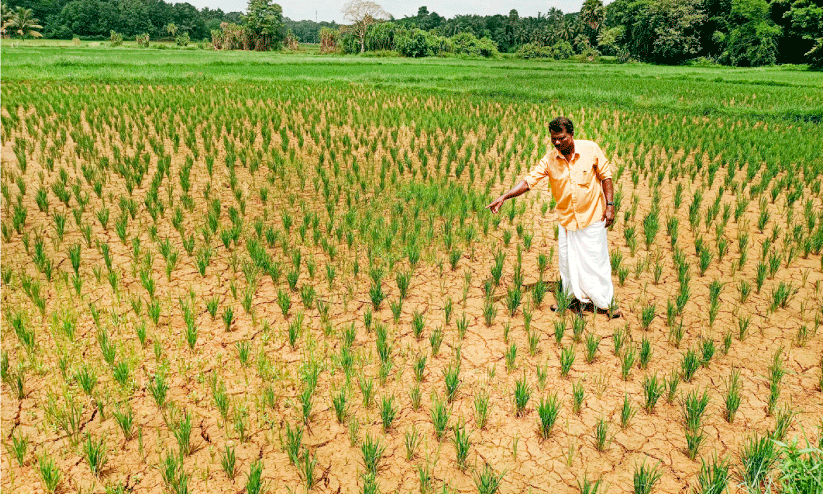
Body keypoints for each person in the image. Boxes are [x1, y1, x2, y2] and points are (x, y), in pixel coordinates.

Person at [486, 116, 619, 317]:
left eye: (561, 138)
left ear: (571, 134)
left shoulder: (591, 149)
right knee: (568, 263)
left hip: (592, 216)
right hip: (567, 220)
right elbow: (528, 181)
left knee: (596, 262)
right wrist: (504, 196)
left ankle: (606, 302)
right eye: (553, 139)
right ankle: (571, 298)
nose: (557, 143)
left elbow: (606, 176)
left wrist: (610, 206)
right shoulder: (550, 159)